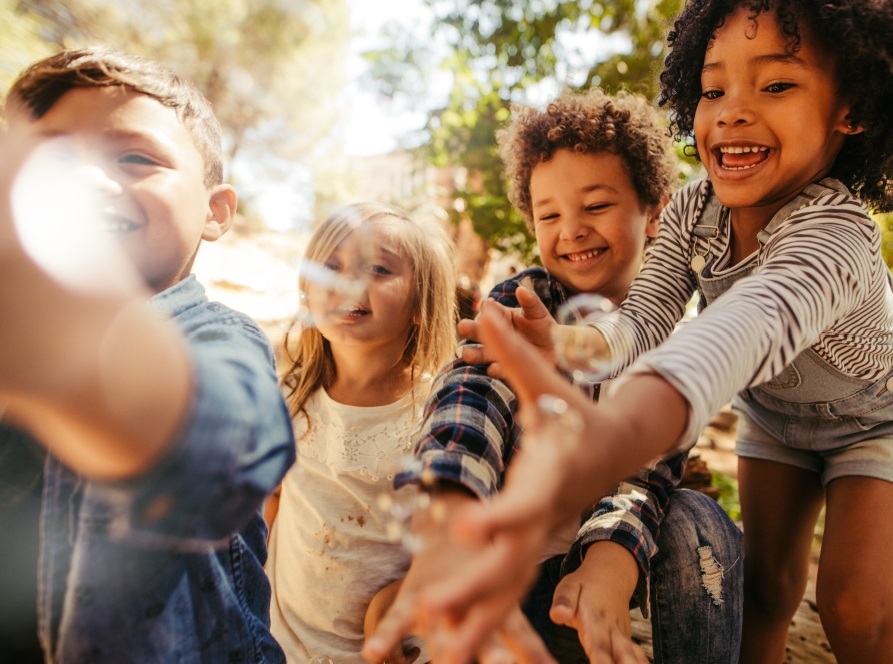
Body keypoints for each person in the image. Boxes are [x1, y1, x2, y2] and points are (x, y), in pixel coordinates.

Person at [394, 0, 893, 662]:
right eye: (713, 89)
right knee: (766, 590)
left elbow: (745, 326)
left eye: (775, 84)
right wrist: (566, 347)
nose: (733, 111)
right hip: (774, 420)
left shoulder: (836, 235)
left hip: (872, 420)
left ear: (850, 108)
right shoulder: (694, 209)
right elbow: (646, 320)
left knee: (855, 606)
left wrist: (621, 431)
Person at [365, 88, 743, 664]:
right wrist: (453, 507)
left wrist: (608, 562)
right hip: (506, 558)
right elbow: (469, 397)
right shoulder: (525, 300)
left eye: (595, 207)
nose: (571, 230)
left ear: (656, 212)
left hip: (600, 564)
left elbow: (648, 470)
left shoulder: (670, 333)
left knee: (703, 525)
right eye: (549, 215)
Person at [0, 47, 295, 663]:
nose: (84, 181)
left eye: (135, 158)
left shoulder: (219, 334)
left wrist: (71, 351)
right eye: (50, 158)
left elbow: (232, 456)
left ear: (216, 212)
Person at [264, 203, 458, 663]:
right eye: (331, 266)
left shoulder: (441, 410)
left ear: (420, 303)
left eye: (378, 268)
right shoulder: (290, 395)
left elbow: (457, 533)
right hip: (286, 642)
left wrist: (407, 594)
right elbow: (271, 499)